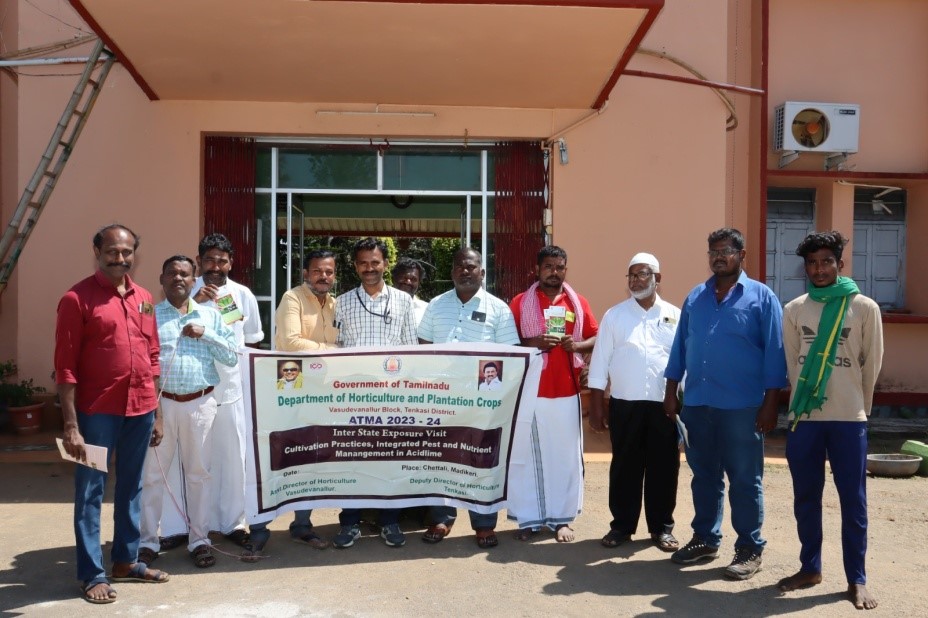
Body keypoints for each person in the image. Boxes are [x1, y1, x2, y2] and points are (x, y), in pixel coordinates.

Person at [663, 227, 788, 580]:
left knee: (745, 479)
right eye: (713, 251)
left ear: (741, 255)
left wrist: (770, 403)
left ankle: (749, 547)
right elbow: (680, 349)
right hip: (699, 404)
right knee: (704, 476)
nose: (719, 256)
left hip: (742, 407)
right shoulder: (695, 298)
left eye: (726, 250)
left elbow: (775, 354)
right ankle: (705, 538)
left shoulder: (761, 298)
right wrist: (671, 391)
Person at [55, 224, 170, 604]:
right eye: (113, 251)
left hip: (139, 408)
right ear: (97, 251)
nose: (120, 258)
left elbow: (153, 355)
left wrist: (154, 412)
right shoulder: (76, 299)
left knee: (132, 485)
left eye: (127, 252)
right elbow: (65, 366)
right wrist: (71, 424)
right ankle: (92, 575)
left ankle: (126, 560)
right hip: (96, 413)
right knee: (90, 491)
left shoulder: (145, 298)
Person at [777, 231, 883, 610]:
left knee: (852, 501)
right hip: (805, 418)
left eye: (826, 261)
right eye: (812, 263)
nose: (819, 269)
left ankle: (857, 579)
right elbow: (792, 364)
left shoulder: (864, 307)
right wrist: (802, 406)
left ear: (840, 264)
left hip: (848, 419)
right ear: (804, 267)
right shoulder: (794, 309)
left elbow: (871, 365)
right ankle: (810, 568)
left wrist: (859, 410)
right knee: (806, 497)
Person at [417, 247, 520, 548]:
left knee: (480, 461)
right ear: (452, 272)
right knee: (441, 457)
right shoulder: (436, 305)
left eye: (471, 266)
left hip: (481, 401)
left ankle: (484, 524)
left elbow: (510, 354)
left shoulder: (498, 309)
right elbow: (423, 345)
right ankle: (441, 518)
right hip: (442, 398)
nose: (465, 271)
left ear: (482, 272)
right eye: (460, 266)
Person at [139, 256, 238, 569]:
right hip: (161, 406)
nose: (178, 278)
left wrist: (205, 334)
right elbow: (141, 365)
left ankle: (199, 540)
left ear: (194, 279)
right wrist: (151, 409)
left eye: (185, 274)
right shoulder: (150, 316)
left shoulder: (210, 315)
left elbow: (232, 357)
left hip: (200, 403)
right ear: (162, 278)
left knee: (199, 475)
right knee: (153, 476)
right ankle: (147, 542)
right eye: (172, 273)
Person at [588, 252, 681, 552]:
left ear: (658, 279)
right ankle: (621, 527)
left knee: (664, 468)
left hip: (663, 405)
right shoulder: (615, 315)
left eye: (643, 274)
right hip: (624, 405)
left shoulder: (675, 315)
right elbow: (600, 361)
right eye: (632, 275)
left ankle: (661, 528)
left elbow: (683, 363)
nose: (636, 280)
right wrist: (597, 406)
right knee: (625, 467)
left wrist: (681, 401)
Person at [252, 249, 340, 552]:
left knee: (312, 454)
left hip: (322, 390)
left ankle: (302, 525)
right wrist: (333, 351)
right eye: (317, 271)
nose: (323, 277)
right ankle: (258, 527)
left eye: (329, 272)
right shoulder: (292, 298)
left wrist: (331, 351)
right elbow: (291, 342)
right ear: (306, 273)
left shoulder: (335, 304)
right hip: (289, 386)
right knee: (277, 453)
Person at [333, 237, 418, 548]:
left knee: (388, 460)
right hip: (352, 397)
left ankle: (389, 521)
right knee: (353, 458)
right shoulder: (341, 302)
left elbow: (411, 350)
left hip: (392, 396)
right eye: (363, 263)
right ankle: (350, 522)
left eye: (375, 262)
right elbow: (337, 348)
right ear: (355, 267)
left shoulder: (403, 301)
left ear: (386, 264)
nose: (370, 268)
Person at [509, 245, 598, 543]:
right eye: (548, 266)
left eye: (560, 267)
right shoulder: (520, 303)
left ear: (565, 269)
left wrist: (578, 347)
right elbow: (508, 345)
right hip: (530, 391)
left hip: (566, 391)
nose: (554, 272)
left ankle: (562, 519)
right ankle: (529, 518)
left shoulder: (576, 301)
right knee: (528, 457)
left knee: (565, 458)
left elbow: (596, 336)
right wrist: (533, 342)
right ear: (537, 269)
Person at [391, 257, 428, 325]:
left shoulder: (426, 310)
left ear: (419, 283)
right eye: (404, 277)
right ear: (394, 278)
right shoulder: (380, 304)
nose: (408, 282)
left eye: (413, 279)